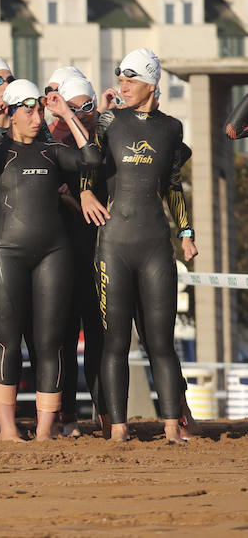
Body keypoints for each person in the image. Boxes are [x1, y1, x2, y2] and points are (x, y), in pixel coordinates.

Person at [0, 80, 99, 441]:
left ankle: (44, 429)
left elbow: (91, 158)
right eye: (28, 109)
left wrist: (67, 114)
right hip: (4, 253)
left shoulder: (52, 152)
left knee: (49, 342)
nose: (36, 116)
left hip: (52, 255)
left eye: (39, 109)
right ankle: (7, 428)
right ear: (10, 112)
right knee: (5, 340)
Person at [80, 49, 198, 444]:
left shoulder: (172, 128)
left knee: (161, 342)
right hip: (113, 243)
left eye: (131, 78)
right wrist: (83, 194)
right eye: (121, 77)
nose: (123, 84)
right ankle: (118, 428)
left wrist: (186, 233)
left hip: (154, 245)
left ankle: (171, 426)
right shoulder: (110, 120)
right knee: (114, 342)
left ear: (152, 83)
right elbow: (91, 162)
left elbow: (173, 184)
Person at [53, 72, 103, 435]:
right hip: (61, 249)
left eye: (88, 105)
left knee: (101, 337)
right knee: (64, 339)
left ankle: (105, 413)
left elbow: (96, 162)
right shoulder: (49, 138)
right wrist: (71, 198)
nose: (82, 112)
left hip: (100, 248)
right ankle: (67, 415)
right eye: (74, 107)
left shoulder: (103, 134)